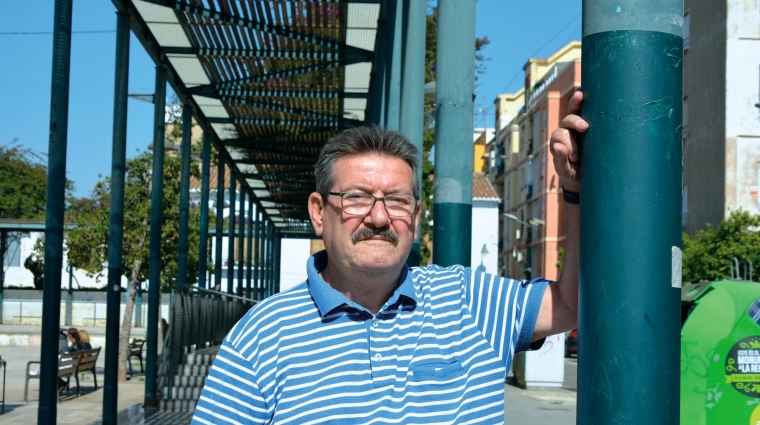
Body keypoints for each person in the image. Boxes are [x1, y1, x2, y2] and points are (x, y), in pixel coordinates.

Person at [192, 92, 585, 424]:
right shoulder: (262, 336)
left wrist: (576, 190)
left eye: (397, 201)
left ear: (414, 217)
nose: (379, 217)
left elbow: (573, 303)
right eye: (356, 198)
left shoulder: (467, 299)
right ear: (317, 212)